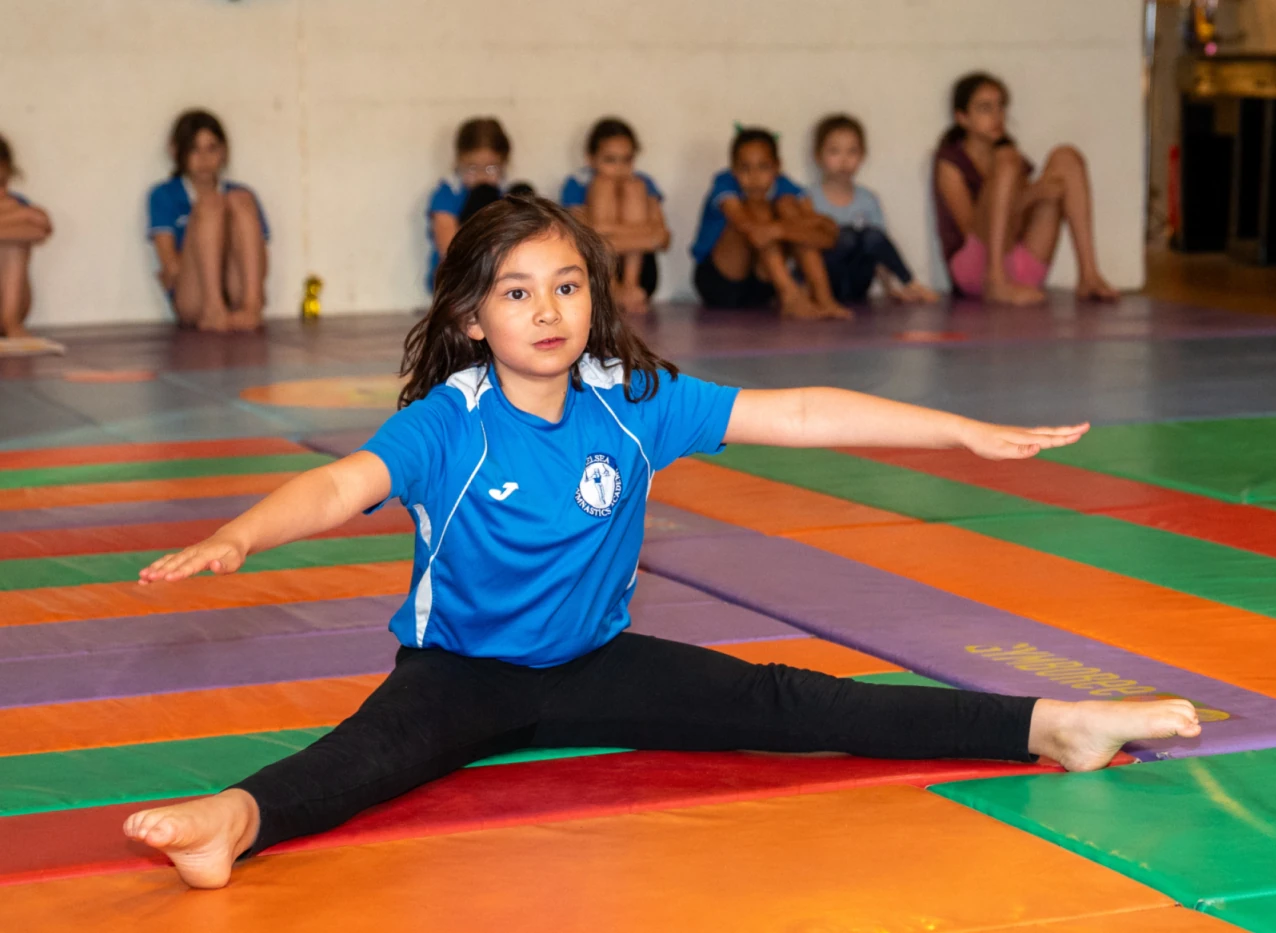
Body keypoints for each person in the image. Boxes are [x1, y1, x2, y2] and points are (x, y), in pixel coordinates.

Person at [123, 195, 1200, 890]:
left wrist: (957, 429)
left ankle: (1048, 727)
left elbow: (801, 415)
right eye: (515, 292)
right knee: (370, 758)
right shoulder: (447, 421)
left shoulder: (631, 401)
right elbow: (338, 484)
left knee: (796, 703)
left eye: (566, 285)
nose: (547, 310)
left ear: (593, 297)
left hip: (599, 662)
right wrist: (240, 534)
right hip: (463, 673)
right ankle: (234, 819)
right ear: (471, 320)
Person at [933, 72, 1119, 305]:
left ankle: (1089, 275)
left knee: (1067, 157)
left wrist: (1040, 197)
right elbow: (971, 229)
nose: (997, 115)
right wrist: (1033, 194)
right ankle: (996, 281)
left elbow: (1018, 223)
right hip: (974, 271)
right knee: (1009, 161)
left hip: (1020, 266)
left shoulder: (1009, 155)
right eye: (985, 108)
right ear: (962, 118)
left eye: (1000, 107)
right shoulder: (951, 161)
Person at [690, 127, 850, 319]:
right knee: (759, 208)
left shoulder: (786, 188)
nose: (754, 176)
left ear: (777, 166)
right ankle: (790, 294)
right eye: (744, 168)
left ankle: (824, 299)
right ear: (733, 169)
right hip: (721, 284)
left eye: (763, 167)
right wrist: (783, 228)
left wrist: (781, 229)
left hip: (762, 287)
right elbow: (752, 231)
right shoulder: (725, 184)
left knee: (787, 206)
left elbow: (827, 238)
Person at [147, 110, 270, 332]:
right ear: (176, 152)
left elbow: (261, 262)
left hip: (236, 287)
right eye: (194, 149)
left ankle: (252, 307)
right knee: (210, 205)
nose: (204, 158)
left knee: (240, 199)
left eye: (212, 148)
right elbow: (171, 267)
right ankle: (214, 309)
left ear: (223, 152)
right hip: (196, 297)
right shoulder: (164, 195)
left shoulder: (240, 195)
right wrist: (208, 237)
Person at [810, 114, 939, 305]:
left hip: (857, 282)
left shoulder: (868, 199)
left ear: (862, 155)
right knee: (845, 237)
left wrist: (889, 289)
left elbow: (879, 249)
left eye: (852, 151)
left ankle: (909, 282)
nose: (844, 160)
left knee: (872, 235)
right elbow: (804, 251)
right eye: (834, 151)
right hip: (825, 280)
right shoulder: (808, 198)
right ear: (818, 156)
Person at [560, 117, 669, 315]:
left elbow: (662, 239)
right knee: (603, 185)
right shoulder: (577, 183)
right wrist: (646, 236)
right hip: (596, 273)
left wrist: (604, 229)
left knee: (634, 187)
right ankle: (611, 288)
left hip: (642, 277)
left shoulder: (643, 182)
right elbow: (583, 238)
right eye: (610, 159)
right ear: (590, 158)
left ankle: (629, 284)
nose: (619, 168)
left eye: (627, 159)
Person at [425, 117, 533, 292]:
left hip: (502, 271)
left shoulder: (508, 191)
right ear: (458, 161)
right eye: (472, 168)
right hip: (458, 273)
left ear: (504, 164)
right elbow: (448, 247)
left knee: (523, 194)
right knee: (482, 195)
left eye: (491, 168)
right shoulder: (448, 192)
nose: (482, 176)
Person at [0, 134, 52, 338]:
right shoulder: (17, 210)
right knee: (14, 236)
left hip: (10, 305)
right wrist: (21, 215)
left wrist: (21, 213)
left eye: (3, 183)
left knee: (16, 244)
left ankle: (11, 321)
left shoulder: (15, 202)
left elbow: (40, 228)